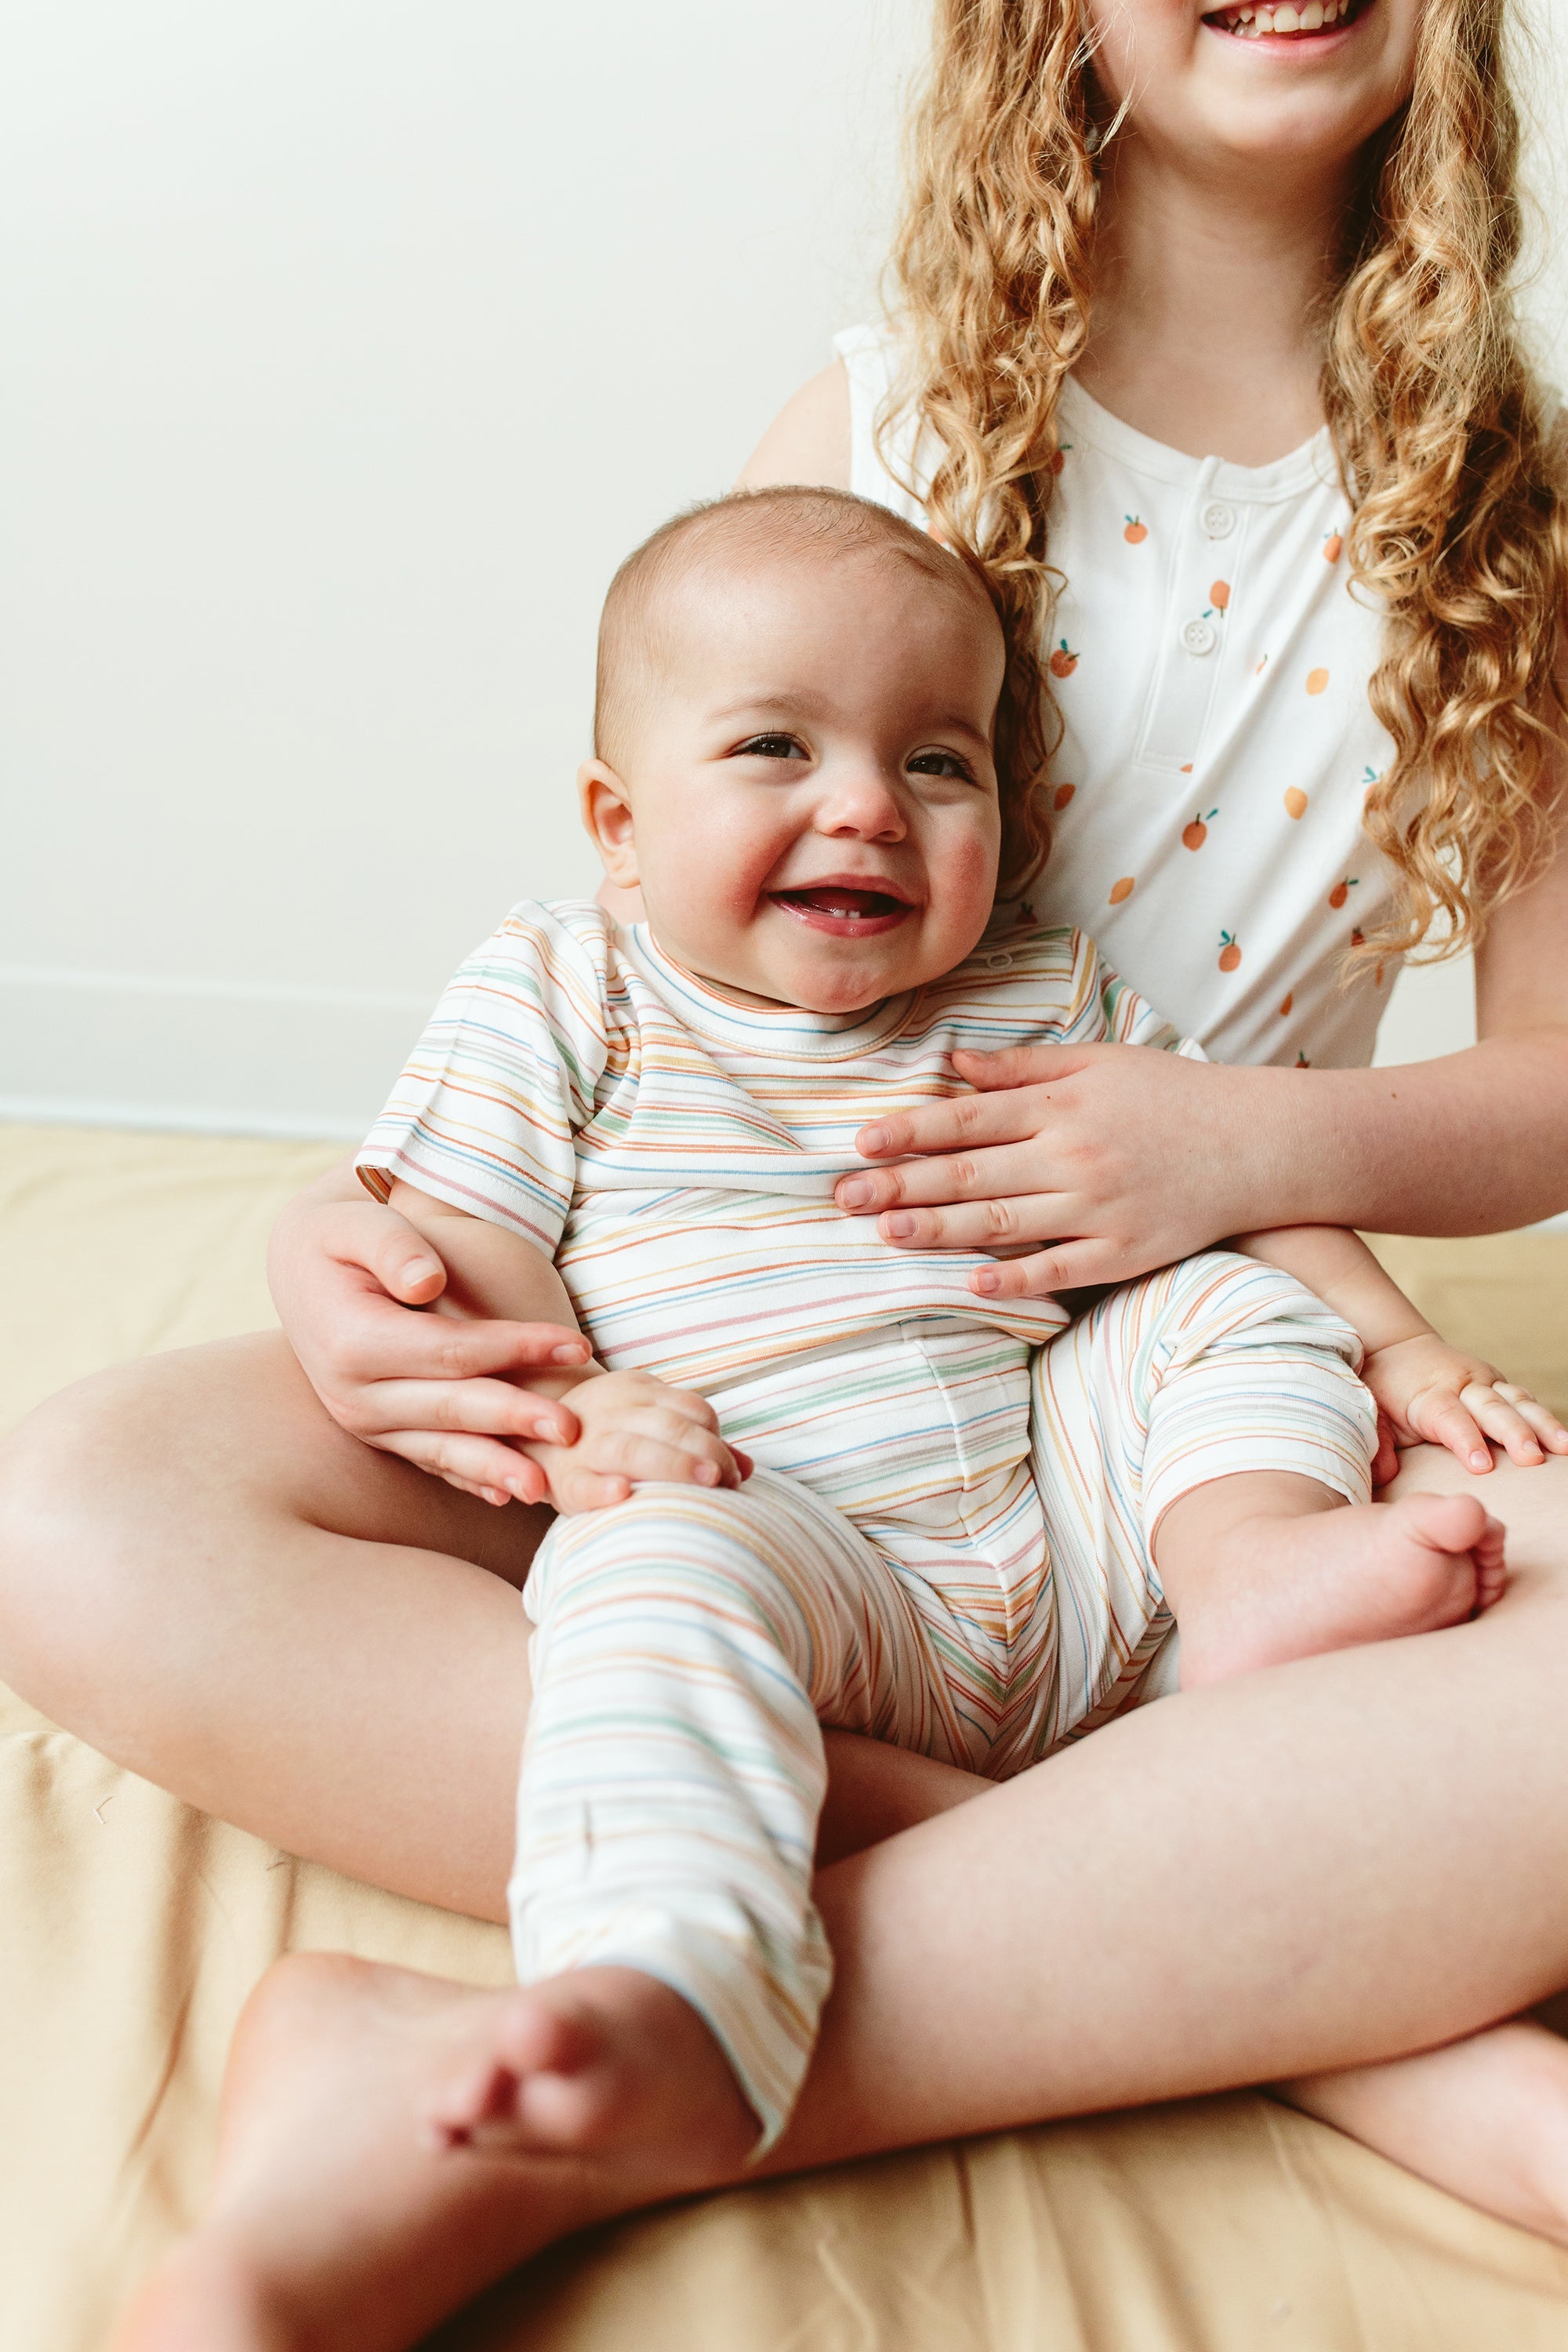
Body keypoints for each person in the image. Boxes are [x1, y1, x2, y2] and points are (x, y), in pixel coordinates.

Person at [3, 0, 1568, 2337]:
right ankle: (1304, 1971)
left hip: (1207, 1421)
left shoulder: (1500, 508)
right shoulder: (906, 407)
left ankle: (567, 2088)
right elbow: (679, 894)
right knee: (80, 1507)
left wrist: (1247, 1146)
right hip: (775, 1383)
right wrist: (373, 1264)